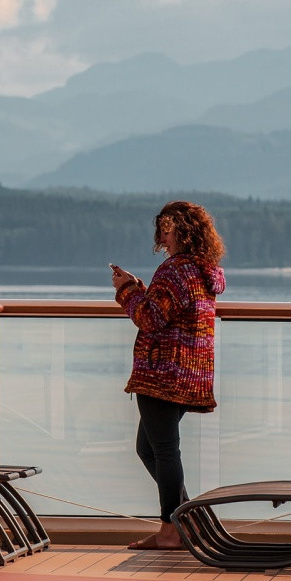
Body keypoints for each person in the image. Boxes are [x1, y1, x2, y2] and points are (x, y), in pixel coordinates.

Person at [111, 201, 226, 550]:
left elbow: (150, 319)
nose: (163, 232)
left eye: (169, 226)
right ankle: (186, 522)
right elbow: (165, 311)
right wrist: (141, 289)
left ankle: (171, 531)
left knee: (162, 450)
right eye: (162, 225)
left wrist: (126, 291)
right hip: (189, 372)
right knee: (150, 448)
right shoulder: (201, 270)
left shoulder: (175, 271)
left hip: (162, 372)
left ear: (183, 230)